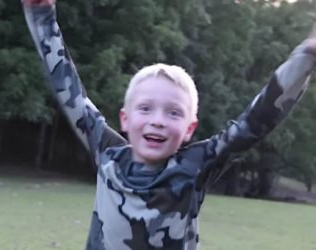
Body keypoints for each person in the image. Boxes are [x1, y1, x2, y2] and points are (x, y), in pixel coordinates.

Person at [21, 0, 316, 249]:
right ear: (125, 118)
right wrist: (41, 15)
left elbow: (256, 121)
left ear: (189, 128)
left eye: (174, 113)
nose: (158, 121)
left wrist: (305, 57)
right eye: (146, 108)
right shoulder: (107, 152)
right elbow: (67, 87)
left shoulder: (196, 166)